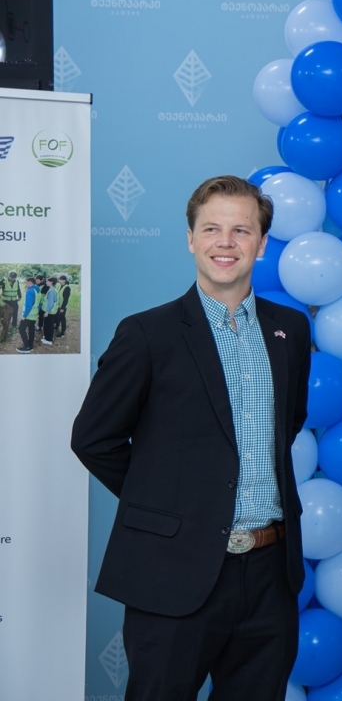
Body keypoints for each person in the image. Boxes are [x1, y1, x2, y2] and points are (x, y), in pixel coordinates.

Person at [71, 175, 312, 700]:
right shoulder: (146, 334)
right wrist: (170, 505)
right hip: (172, 570)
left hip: (270, 573)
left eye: (241, 230)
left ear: (261, 244)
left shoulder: (290, 330)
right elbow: (93, 438)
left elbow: (288, 423)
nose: (226, 242)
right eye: (211, 229)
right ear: (190, 239)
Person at [16, 277, 40, 354]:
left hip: (29, 315)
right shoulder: (37, 289)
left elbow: (29, 305)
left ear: (30, 282)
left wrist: (24, 315)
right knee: (31, 330)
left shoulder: (30, 291)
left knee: (21, 329)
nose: (25, 284)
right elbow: (39, 303)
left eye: (26, 282)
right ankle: (30, 345)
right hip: (34, 315)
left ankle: (27, 346)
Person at [1, 270, 20, 341]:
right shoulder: (3, 281)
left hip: (14, 300)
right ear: (8, 276)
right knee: (5, 314)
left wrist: (20, 296)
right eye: (11, 277)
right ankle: (5, 325)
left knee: (15, 312)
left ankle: (14, 324)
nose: (12, 278)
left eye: (13, 277)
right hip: (6, 301)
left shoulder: (17, 282)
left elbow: (18, 290)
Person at [40, 275, 59, 346]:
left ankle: (48, 340)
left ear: (51, 282)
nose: (46, 282)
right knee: (48, 325)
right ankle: (47, 337)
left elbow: (50, 302)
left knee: (48, 326)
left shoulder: (51, 291)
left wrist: (47, 311)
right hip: (51, 311)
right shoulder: (52, 289)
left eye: (47, 281)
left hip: (50, 312)